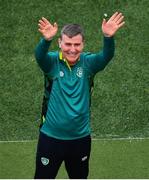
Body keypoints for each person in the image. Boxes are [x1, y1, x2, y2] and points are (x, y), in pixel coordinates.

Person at [34, 12, 125, 179]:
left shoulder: (88, 63)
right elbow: (40, 56)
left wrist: (108, 37)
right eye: (68, 44)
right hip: (50, 138)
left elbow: (106, 56)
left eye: (77, 44)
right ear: (60, 43)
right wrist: (46, 40)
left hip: (80, 138)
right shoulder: (52, 62)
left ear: (83, 45)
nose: (72, 49)